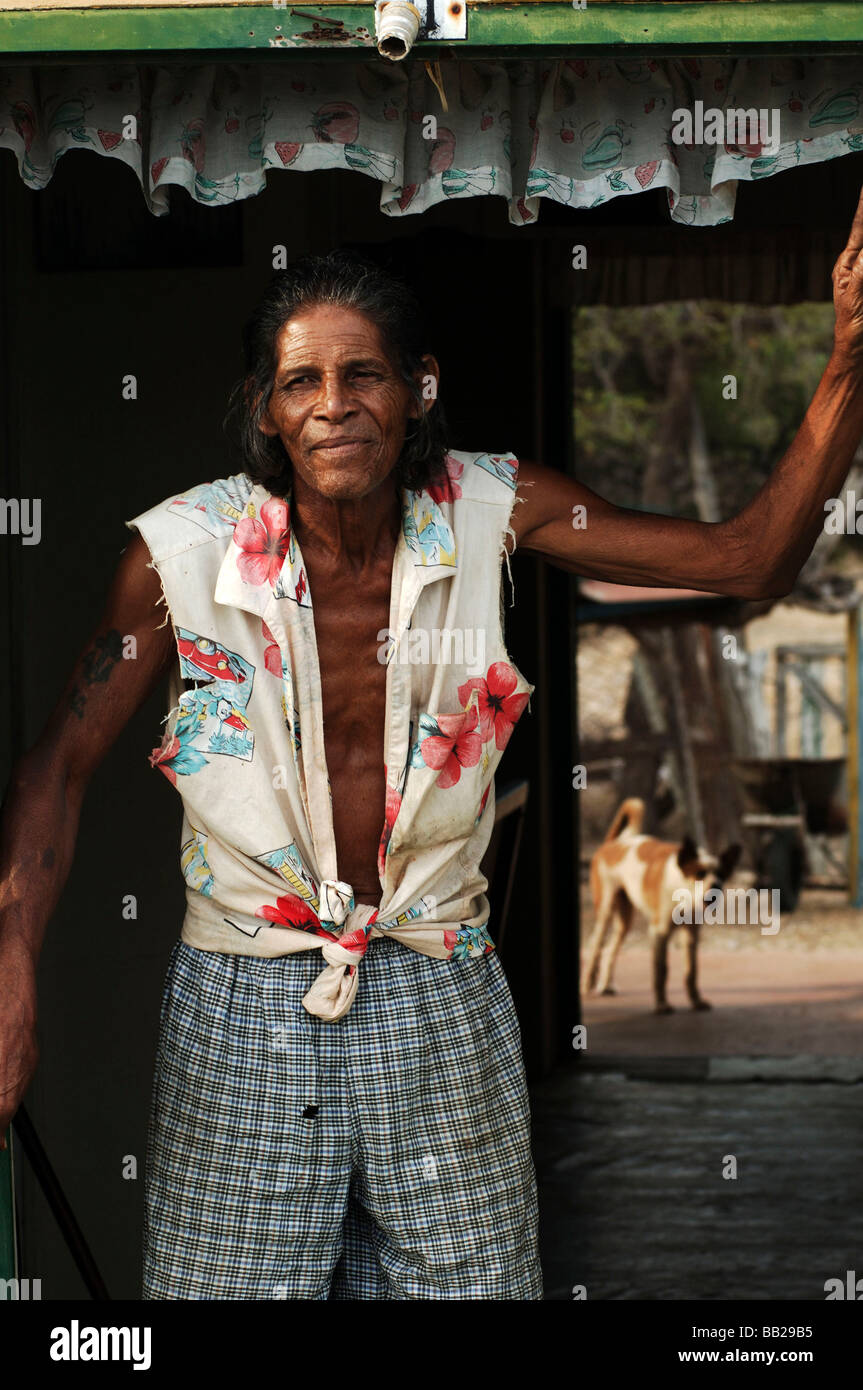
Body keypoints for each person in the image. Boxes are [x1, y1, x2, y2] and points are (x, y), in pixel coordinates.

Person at [3, 193, 863, 1299]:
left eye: (363, 374)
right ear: (266, 410)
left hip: (437, 984)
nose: (332, 408)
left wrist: (844, 359)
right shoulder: (180, 557)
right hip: (241, 997)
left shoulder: (493, 510)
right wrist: (12, 967)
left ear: (419, 390)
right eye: (301, 382)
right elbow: (53, 773)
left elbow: (745, 561)